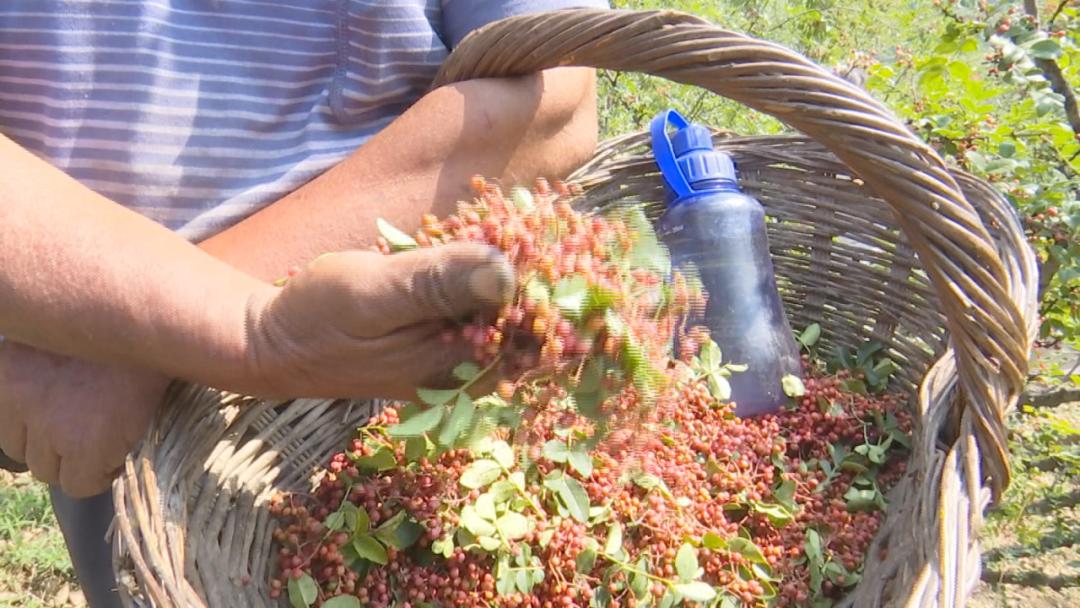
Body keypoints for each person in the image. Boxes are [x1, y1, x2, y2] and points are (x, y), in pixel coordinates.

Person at [0, 1, 607, 605]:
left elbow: (555, 99)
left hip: (420, 351)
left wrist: (187, 329)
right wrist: (175, 321)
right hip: (96, 383)